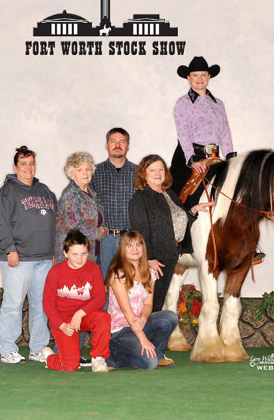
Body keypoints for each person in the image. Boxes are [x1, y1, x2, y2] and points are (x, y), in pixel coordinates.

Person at [0, 146, 57, 364]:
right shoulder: (8, 191)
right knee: (13, 304)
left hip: (44, 259)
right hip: (19, 259)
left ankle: (38, 348)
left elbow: (55, 224)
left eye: (31, 163)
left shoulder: (45, 191)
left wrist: (54, 253)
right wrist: (9, 248)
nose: (28, 168)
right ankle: (8, 349)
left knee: (40, 305)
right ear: (15, 166)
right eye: (23, 163)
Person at [129, 155, 213, 312]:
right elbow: (140, 232)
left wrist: (194, 209)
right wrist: (149, 259)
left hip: (170, 255)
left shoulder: (168, 193)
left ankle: (153, 335)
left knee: (159, 303)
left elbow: (177, 218)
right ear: (143, 174)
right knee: (149, 306)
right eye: (152, 170)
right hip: (154, 261)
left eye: (161, 169)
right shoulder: (140, 198)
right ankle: (144, 336)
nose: (158, 173)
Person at [105, 231, 179, 369]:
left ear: (143, 248)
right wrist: (143, 339)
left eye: (138, 245)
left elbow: (148, 304)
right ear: (123, 249)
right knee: (150, 363)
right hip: (120, 330)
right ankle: (113, 356)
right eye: (130, 246)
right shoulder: (117, 275)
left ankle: (157, 352)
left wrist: (143, 320)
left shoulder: (149, 273)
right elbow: (127, 311)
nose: (135, 249)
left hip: (139, 323)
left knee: (170, 317)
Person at [171, 56, 236, 210]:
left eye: (203, 75)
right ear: (188, 78)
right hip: (190, 155)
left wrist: (230, 158)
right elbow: (183, 133)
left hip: (213, 157)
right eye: (195, 75)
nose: (199, 79)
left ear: (209, 76)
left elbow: (225, 131)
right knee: (181, 200)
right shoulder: (183, 103)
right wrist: (192, 160)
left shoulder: (218, 104)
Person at [41, 230, 111, 372]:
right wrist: (62, 326)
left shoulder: (94, 269)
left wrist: (80, 313)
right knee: (70, 366)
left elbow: (100, 298)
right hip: (63, 320)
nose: (80, 258)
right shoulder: (55, 272)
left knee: (103, 317)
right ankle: (50, 357)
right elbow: (48, 304)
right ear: (65, 253)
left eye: (84, 254)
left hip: (83, 316)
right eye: (75, 254)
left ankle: (98, 359)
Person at [89, 127, 137, 281]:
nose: (117, 145)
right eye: (113, 141)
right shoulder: (94, 172)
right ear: (106, 145)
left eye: (122, 142)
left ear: (128, 146)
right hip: (105, 240)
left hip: (130, 240)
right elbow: (87, 204)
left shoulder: (138, 173)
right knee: (104, 284)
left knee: (130, 285)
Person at [55, 152, 106, 264]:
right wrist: (98, 232)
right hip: (74, 255)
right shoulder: (70, 194)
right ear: (71, 174)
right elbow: (73, 227)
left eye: (88, 169)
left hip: (91, 253)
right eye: (79, 170)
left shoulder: (91, 193)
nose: (85, 173)